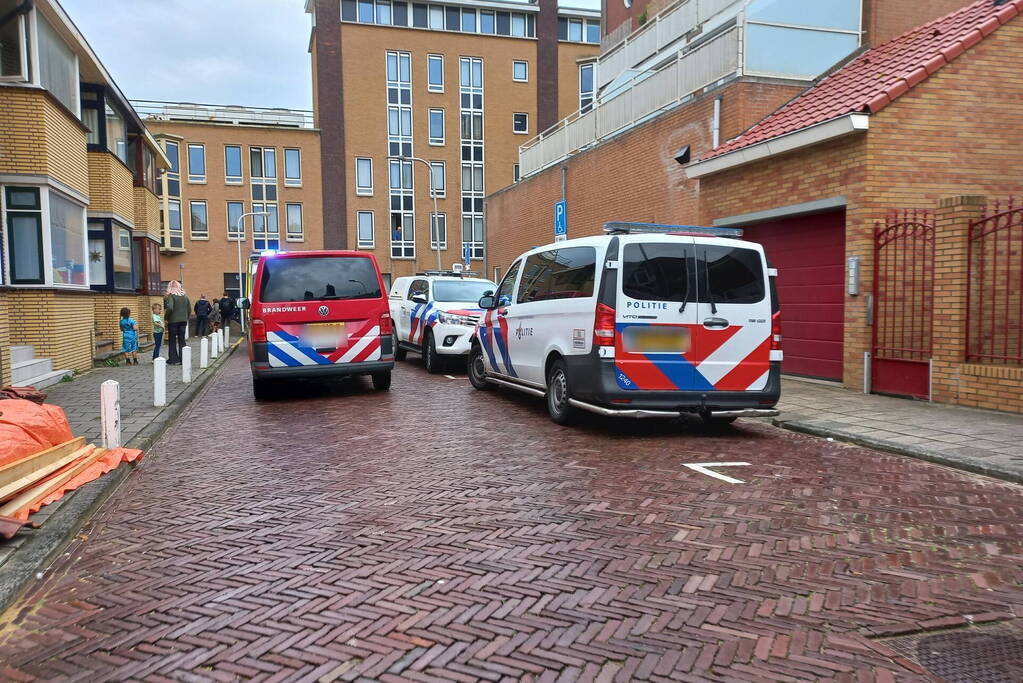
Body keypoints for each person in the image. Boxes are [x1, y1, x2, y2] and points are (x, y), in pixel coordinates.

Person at [164, 280, 191, 365]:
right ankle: (183, 359)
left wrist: (166, 317)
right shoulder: (185, 296)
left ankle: (173, 359)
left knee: (172, 341)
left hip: (173, 321)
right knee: (182, 340)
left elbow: (170, 308)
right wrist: (186, 317)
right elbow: (189, 308)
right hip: (183, 321)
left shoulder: (171, 296)